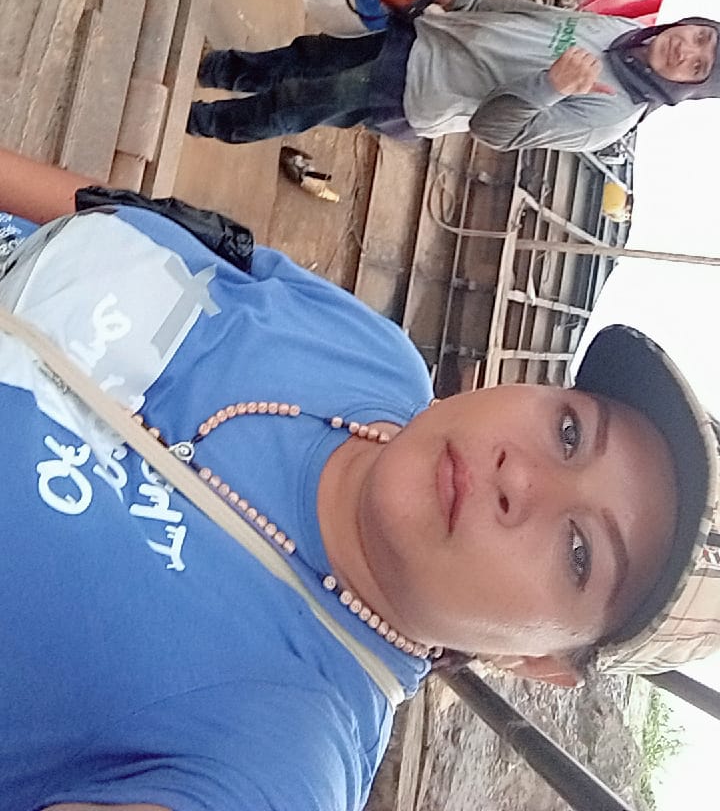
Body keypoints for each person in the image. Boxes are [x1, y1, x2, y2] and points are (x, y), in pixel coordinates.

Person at [1, 145, 720, 811]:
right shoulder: (375, 356)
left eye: (579, 553)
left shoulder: (280, 753)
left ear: (539, 661)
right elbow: (115, 217)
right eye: (570, 433)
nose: (524, 478)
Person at [186, 0, 720, 153]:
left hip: (417, 91)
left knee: (297, 103)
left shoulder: (608, 119)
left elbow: (494, 131)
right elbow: (536, 16)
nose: (686, 50)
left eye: (698, 66)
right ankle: (217, 69)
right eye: (700, 37)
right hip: (428, 38)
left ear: (690, 89)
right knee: (313, 54)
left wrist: (550, 87)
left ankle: (197, 121)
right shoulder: (623, 31)